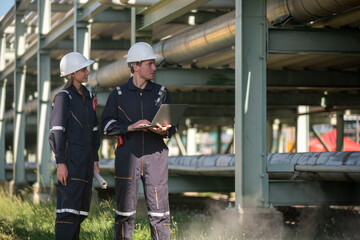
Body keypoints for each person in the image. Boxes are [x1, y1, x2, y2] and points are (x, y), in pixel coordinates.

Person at [101, 42, 177, 240]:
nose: (154, 68)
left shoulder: (161, 93)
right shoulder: (118, 94)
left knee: (160, 214)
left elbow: (174, 125)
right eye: (149, 64)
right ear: (135, 66)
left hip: (156, 157)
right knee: (125, 214)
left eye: (154, 64)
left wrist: (165, 130)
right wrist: (130, 127)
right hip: (128, 157)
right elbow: (106, 125)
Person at [49, 52, 100, 240]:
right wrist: (61, 163)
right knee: (67, 214)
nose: (88, 72)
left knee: (80, 213)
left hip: (85, 165)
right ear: (72, 73)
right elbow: (56, 131)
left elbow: (94, 131)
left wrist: (95, 160)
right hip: (70, 165)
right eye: (84, 69)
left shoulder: (86, 97)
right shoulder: (63, 97)